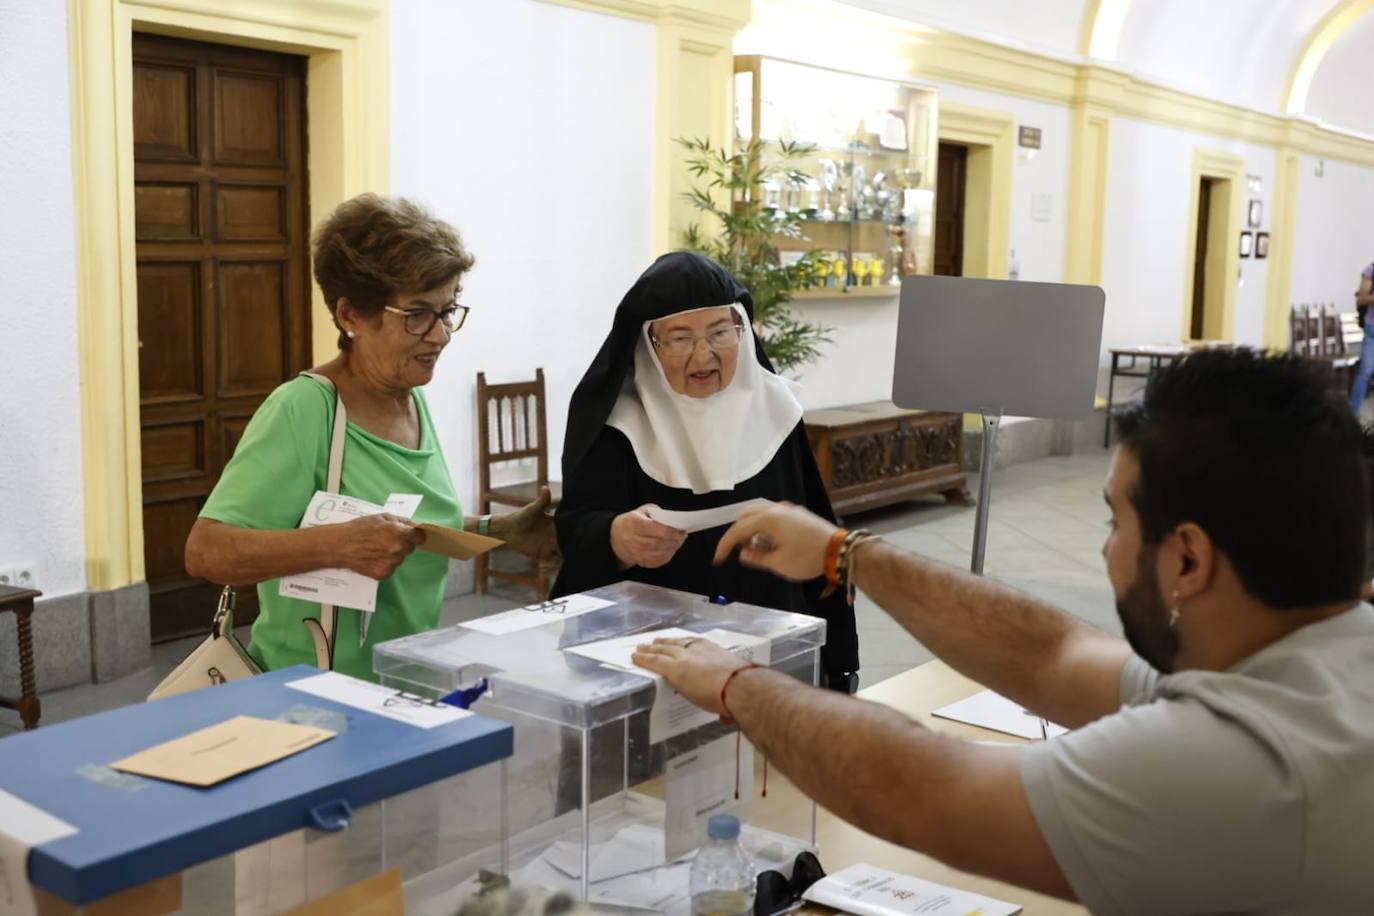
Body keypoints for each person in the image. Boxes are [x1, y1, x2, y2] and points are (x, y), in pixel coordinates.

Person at [634, 349, 1374, 914]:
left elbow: (921, 791)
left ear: (1187, 558)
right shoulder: (1312, 657)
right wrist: (847, 553)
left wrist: (737, 684)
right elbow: (1057, 655)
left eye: (1117, 522)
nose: (1106, 548)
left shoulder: (1243, 764)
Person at [185, 194, 555, 681]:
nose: (441, 335)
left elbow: (397, 525)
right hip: (315, 697)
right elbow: (207, 550)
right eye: (418, 315)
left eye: (448, 311)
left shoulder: (410, 399)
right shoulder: (305, 409)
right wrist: (339, 546)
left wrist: (497, 533)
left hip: (405, 680)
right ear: (350, 316)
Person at [552, 250, 859, 689]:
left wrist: (838, 658)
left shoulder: (775, 410)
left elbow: (818, 525)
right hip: (653, 651)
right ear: (648, 345)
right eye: (679, 339)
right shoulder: (616, 426)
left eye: (720, 333)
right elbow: (576, 527)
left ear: (743, 332)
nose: (704, 355)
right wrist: (616, 538)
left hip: (773, 640)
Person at [1350, 259, 1374, 414]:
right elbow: (1362, 298)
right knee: (1365, 372)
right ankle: (1353, 415)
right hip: (1372, 329)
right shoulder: (1370, 270)